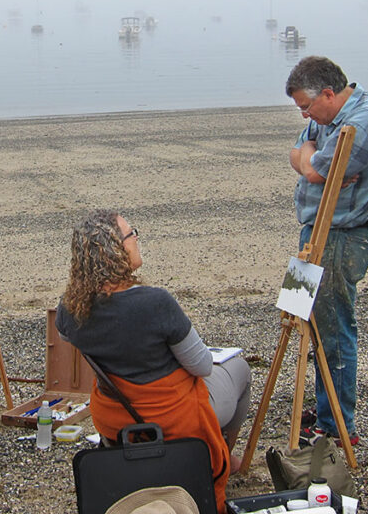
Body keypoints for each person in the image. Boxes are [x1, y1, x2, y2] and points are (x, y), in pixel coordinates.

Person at [56, 210, 251, 514]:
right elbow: (201, 366)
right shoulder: (155, 303)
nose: (136, 240)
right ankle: (225, 453)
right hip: (173, 417)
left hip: (115, 416)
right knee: (239, 369)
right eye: (131, 234)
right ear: (115, 250)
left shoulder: (70, 310)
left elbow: (74, 336)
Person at [286, 55, 368, 447]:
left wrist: (312, 161)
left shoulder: (364, 121)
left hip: (342, 236)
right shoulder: (327, 118)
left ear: (328, 94)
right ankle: (323, 403)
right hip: (313, 231)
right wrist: (310, 158)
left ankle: (336, 424)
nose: (304, 117)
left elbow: (315, 168)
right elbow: (299, 157)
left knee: (334, 330)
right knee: (305, 320)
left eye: (306, 107)